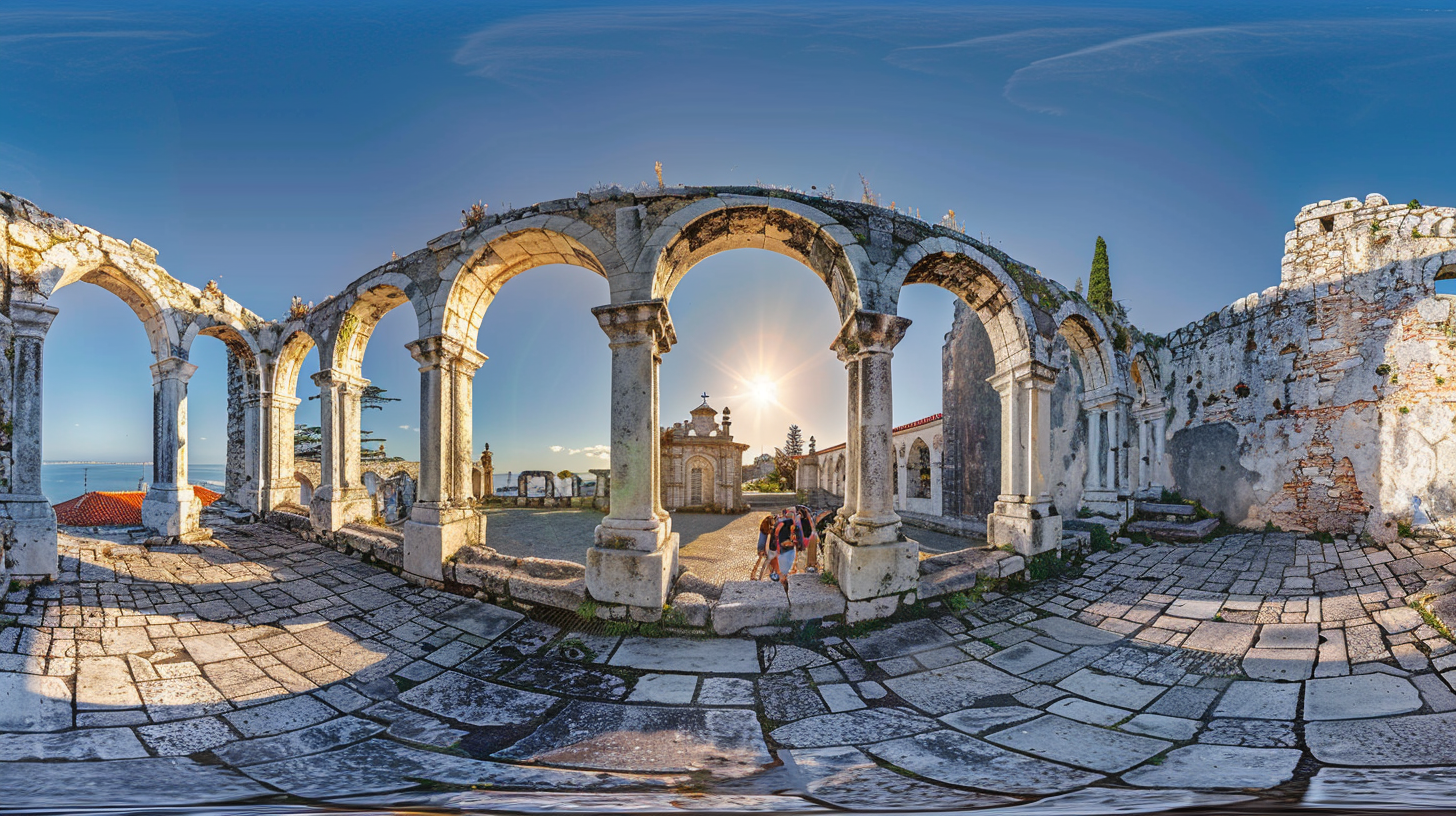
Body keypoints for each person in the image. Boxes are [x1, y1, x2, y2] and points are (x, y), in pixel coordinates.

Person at [767, 507, 801, 583]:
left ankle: (778, 573)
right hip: (782, 545)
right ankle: (778, 573)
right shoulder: (787, 523)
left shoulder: (780, 523)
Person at [793, 503, 820, 573]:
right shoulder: (800, 517)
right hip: (806, 536)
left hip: (807, 536)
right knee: (805, 552)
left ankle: (809, 566)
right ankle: (808, 566)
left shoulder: (800, 517)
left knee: (806, 552)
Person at [750, 513, 776, 580]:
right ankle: (757, 576)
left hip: (763, 547)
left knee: (762, 562)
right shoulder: (767, 528)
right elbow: (765, 541)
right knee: (763, 562)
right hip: (764, 548)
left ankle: (754, 575)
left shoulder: (764, 527)